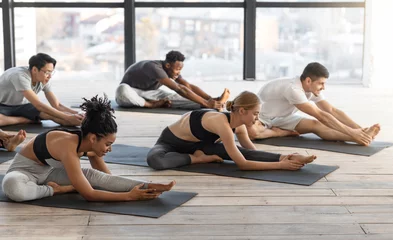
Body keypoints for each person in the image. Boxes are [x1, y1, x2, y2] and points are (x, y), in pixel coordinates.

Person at [1, 95, 175, 202]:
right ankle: (55, 190)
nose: (109, 150)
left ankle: (67, 186)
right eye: (108, 144)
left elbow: (105, 179)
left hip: (49, 172)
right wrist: (129, 196)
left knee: (92, 176)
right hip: (25, 172)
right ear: (93, 138)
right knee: (13, 187)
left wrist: (145, 186)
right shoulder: (67, 144)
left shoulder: (89, 146)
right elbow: (90, 195)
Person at [147, 91, 316, 171]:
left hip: (201, 145)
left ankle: (295, 156)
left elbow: (249, 153)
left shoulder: (240, 126)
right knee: (155, 161)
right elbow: (242, 165)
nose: (257, 119)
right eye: (255, 114)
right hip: (171, 143)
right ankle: (196, 159)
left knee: (238, 151)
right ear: (242, 111)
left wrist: (286, 158)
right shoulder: (221, 123)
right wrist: (281, 166)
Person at [246, 62, 380, 146]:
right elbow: (321, 115)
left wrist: (359, 129)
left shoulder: (311, 88)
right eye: (321, 83)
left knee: (316, 125)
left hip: (281, 118)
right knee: (253, 133)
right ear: (308, 80)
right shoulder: (293, 89)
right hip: (261, 118)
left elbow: (331, 110)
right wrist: (352, 132)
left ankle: (361, 137)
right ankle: (281, 133)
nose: (323, 87)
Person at [115, 50, 230, 111]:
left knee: (175, 98)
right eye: (178, 69)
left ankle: (216, 103)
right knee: (122, 89)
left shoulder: (171, 70)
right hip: (131, 92)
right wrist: (205, 102)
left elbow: (187, 86)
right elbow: (179, 88)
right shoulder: (154, 67)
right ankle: (150, 105)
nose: (179, 72)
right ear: (168, 66)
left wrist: (209, 98)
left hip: (150, 93)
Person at [0, 53, 83, 127]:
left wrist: (77, 114)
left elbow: (57, 105)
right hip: (2, 105)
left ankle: (85, 122)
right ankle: (24, 120)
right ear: (35, 70)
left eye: (51, 72)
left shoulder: (44, 78)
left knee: (52, 115)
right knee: (64, 116)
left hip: (24, 106)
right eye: (47, 72)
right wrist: (67, 117)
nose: (49, 76)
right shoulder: (19, 76)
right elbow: (38, 105)